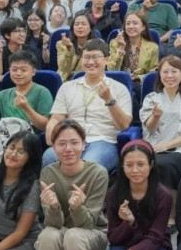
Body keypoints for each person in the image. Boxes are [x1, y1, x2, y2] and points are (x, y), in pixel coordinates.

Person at [34, 119, 109, 250]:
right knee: (46, 235)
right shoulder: (48, 172)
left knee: (74, 235)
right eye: (62, 143)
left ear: (84, 145)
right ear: (53, 146)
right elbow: (52, 224)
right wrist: (55, 207)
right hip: (61, 234)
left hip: (92, 234)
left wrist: (77, 207)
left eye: (74, 143)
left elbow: (88, 223)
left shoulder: (97, 173)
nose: (68, 149)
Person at [104, 140, 172, 250]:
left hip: (155, 245)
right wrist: (128, 223)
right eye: (129, 165)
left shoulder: (163, 195)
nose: (135, 170)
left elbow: (156, 237)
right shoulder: (113, 194)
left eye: (141, 164)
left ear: (150, 165)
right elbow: (113, 238)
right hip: (124, 242)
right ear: (122, 166)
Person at [44, 39, 132, 173]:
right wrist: (51, 134)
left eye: (95, 57)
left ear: (107, 60)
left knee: (88, 166)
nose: (90, 62)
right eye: (86, 57)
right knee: (49, 157)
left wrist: (109, 100)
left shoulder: (119, 89)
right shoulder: (67, 87)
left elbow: (124, 125)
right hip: (71, 140)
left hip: (103, 141)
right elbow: (57, 118)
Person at [140, 57, 181, 211]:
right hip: (154, 146)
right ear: (160, 75)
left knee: (164, 164)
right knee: (152, 161)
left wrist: (167, 145)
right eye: (165, 72)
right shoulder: (152, 98)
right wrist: (155, 116)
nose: (169, 76)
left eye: (174, 72)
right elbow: (149, 128)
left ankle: (170, 211)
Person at [0, 49, 53, 133]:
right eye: (14, 70)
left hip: (30, 139)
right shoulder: (2, 95)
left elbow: (46, 126)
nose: (18, 73)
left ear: (33, 72)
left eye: (23, 70)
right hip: (5, 137)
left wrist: (26, 108)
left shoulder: (42, 92)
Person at [55, 13, 93, 82]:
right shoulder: (61, 44)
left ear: (91, 28)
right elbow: (64, 68)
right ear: (72, 28)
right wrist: (69, 48)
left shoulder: (97, 46)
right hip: (64, 81)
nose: (80, 27)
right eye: (77, 24)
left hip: (86, 81)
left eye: (83, 24)